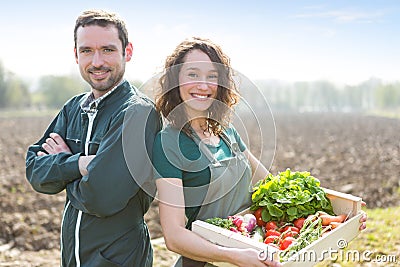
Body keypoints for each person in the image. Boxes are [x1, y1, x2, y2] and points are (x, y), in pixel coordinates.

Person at [152, 37, 367, 267]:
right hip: (208, 262)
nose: (203, 85)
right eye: (192, 74)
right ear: (176, 80)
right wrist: (234, 256)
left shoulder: (226, 132)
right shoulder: (169, 143)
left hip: (252, 250)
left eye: (212, 76)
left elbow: (272, 188)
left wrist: (336, 218)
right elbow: (174, 236)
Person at [25, 9, 161, 267]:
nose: (97, 61)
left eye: (108, 50)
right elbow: (34, 172)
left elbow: (101, 197)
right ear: (76, 54)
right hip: (73, 258)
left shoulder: (137, 113)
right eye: (87, 50)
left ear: (127, 52)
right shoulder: (72, 108)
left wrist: (62, 170)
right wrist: (78, 164)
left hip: (120, 259)